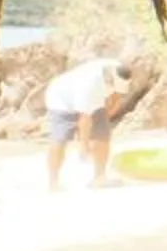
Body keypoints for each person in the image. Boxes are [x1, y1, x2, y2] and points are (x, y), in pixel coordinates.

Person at [42, 56, 129, 191]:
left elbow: (117, 97)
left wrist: (105, 119)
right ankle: (53, 183)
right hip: (61, 99)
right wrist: (84, 146)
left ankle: (99, 178)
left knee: (103, 134)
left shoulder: (120, 70)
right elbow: (84, 119)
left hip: (93, 99)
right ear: (109, 80)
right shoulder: (88, 84)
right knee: (60, 139)